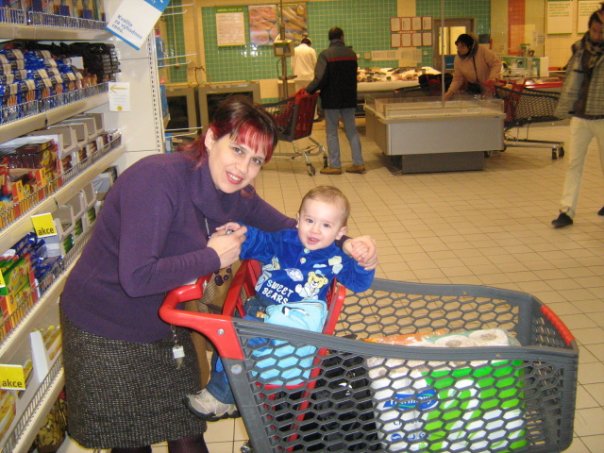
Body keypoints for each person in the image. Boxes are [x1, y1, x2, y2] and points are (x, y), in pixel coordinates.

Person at [59, 96, 377, 452]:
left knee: (187, 429)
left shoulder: (234, 192)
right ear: (211, 138)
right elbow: (136, 277)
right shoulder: (155, 181)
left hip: (166, 320)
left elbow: (291, 228)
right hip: (106, 326)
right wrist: (211, 256)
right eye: (237, 149)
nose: (244, 168)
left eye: (256, 160)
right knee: (130, 441)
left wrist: (346, 242)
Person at [185, 185, 375, 420]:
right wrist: (240, 233)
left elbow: (358, 282)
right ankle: (235, 394)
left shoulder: (336, 258)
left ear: (340, 232)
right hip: (260, 307)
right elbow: (260, 241)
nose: (315, 230)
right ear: (298, 219)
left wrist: (365, 263)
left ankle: (218, 397)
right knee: (226, 341)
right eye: (309, 220)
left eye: (326, 225)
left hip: (294, 323)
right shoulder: (284, 240)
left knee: (240, 345)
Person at [551, 6, 604, 228]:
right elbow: (571, 81)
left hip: (602, 116)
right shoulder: (579, 49)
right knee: (574, 164)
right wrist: (564, 108)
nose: (598, 35)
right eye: (595, 30)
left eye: (602, 31)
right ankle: (566, 211)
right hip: (580, 115)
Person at [306, 26, 366, 175]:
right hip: (349, 97)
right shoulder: (352, 54)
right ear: (342, 37)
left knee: (332, 132)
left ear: (329, 38)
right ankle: (358, 163)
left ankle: (335, 165)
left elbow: (320, 78)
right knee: (352, 131)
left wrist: (308, 90)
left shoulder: (325, 55)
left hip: (331, 99)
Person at [443, 33, 502, 101]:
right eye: (458, 47)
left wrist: (492, 78)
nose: (459, 49)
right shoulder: (458, 59)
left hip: (489, 86)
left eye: (462, 46)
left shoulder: (482, 50)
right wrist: (450, 92)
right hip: (474, 88)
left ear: (470, 46)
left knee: (491, 104)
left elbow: (496, 63)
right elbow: (458, 79)